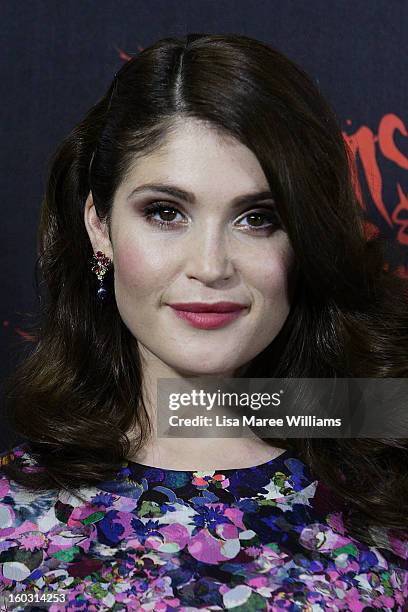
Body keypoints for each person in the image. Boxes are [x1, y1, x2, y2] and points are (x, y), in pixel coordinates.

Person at [1, 33, 407, 610]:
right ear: (100, 227)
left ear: (307, 239)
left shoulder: (388, 492)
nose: (211, 266)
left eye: (258, 218)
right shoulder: (13, 515)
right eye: (165, 213)